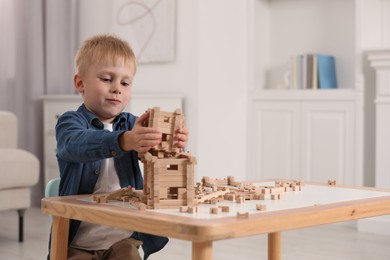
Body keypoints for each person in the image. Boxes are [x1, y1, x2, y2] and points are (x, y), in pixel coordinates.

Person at [50, 34, 188, 260]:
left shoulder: (133, 124)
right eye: (106, 79)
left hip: (122, 237)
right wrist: (123, 141)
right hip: (79, 241)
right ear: (80, 83)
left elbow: (158, 155)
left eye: (125, 83)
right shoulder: (69, 122)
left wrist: (174, 142)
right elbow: (74, 145)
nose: (117, 88)